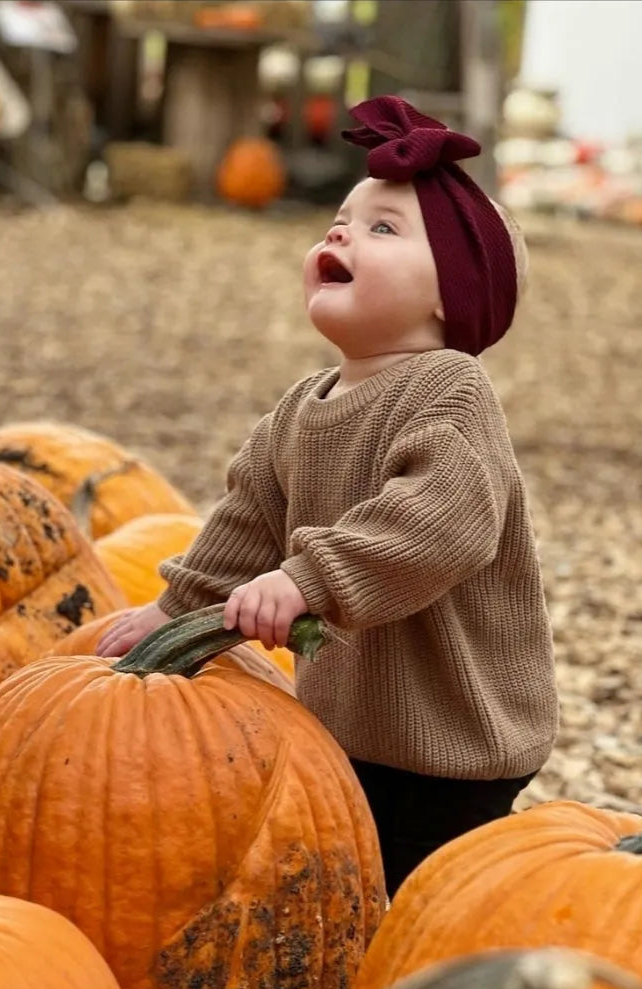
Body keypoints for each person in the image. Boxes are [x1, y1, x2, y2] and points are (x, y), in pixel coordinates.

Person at [97, 95, 559, 896]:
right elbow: (248, 518)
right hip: (344, 728)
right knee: (342, 881)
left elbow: (442, 521)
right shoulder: (301, 407)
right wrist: (176, 611)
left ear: (451, 293)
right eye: (340, 220)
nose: (341, 233)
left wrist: (309, 578)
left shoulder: (450, 390)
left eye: (383, 228)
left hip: (451, 740)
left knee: (425, 897)